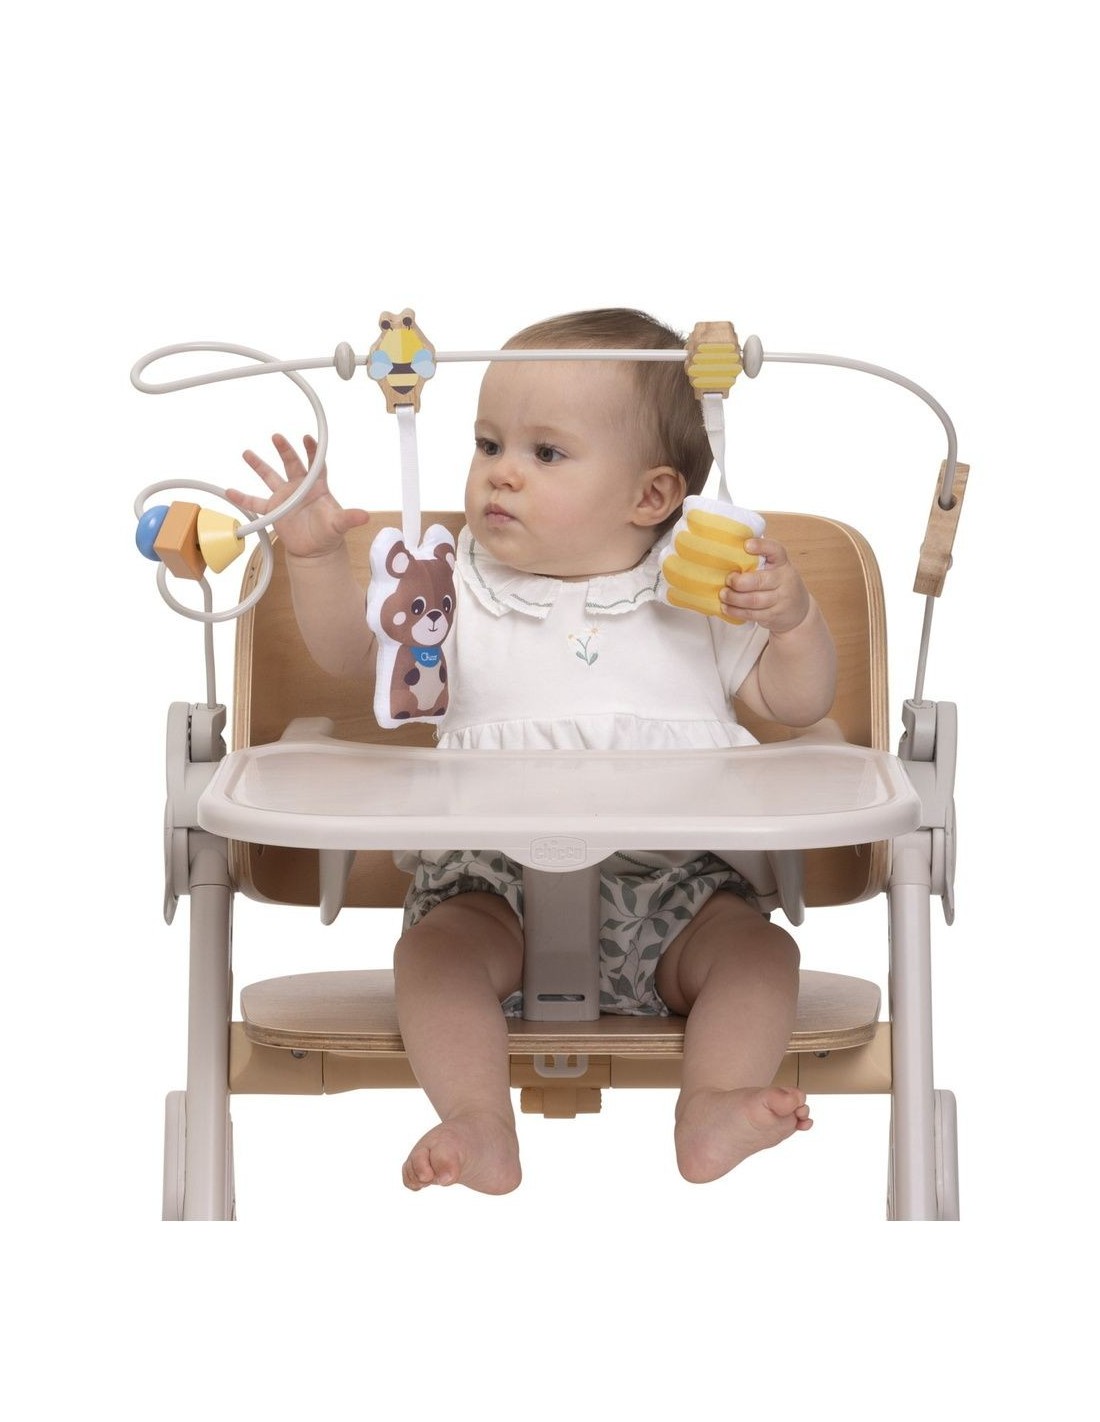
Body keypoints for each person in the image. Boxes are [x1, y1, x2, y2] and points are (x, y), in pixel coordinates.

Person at [229, 309, 837, 1195]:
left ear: (652, 498)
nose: (500, 471)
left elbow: (797, 701)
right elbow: (359, 656)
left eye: (545, 453)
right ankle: (478, 1119)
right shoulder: (453, 585)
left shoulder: (702, 588)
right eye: (488, 444)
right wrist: (318, 559)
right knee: (433, 956)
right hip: (492, 891)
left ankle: (713, 1102)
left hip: (677, 893)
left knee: (758, 956)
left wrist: (792, 619)